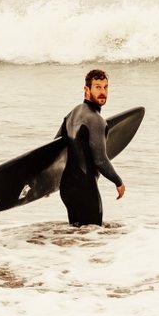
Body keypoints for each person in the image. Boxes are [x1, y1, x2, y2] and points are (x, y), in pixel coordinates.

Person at [57, 68, 126, 227]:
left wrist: (47, 182)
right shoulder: (96, 120)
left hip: (67, 188)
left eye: (105, 87)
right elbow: (100, 160)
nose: (103, 92)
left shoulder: (73, 113)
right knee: (93, 239)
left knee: (76, 236)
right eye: (97, 87)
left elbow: (57, 145)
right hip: (85, 189)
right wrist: (118, 182)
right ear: (87, 90)